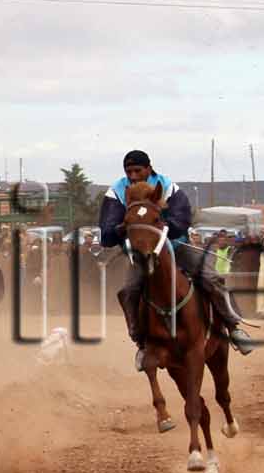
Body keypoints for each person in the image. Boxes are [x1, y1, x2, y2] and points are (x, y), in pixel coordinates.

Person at [93, 151, 240, 369]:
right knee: (128, 290)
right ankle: (141, 342)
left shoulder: (168, 187)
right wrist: (124, 229)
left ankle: (233, 325)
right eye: (129, 171)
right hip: (139, 254)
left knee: (211, 277)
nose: (133, 175)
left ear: (149, 168)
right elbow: (106, 232)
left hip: (176, 246)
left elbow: (182, 219)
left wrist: (158, 229)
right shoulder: (116, 192)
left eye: (137, 170)